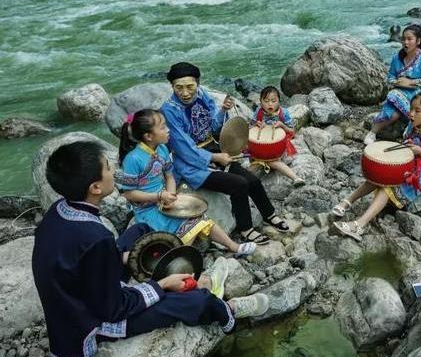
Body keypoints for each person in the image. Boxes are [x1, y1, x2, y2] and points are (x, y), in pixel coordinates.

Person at [32, 141, 269, 357]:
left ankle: (158, 275)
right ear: (95, 187)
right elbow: (115, 309)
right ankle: (228, 310)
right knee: (197, 301)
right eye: (107, 168)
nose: (113, 171)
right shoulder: (96, 238)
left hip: (78, 295)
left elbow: (81, 263)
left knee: (141, 230)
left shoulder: (58, 211)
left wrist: (120, 258)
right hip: (90, 322)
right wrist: (162, 286)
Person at [160, 62, 288, 245]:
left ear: (197, 83)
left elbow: (213, 127)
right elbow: (182, 148)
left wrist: (223, 110)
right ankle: (246, 229)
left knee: (252, 180)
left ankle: (269, 214)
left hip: (213, 148)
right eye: (179, 88)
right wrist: (214, 158)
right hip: (190, 163)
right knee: (238, 184)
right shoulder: (169, 110)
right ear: (172, 87)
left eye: (190, 86)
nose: (186, 93)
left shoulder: (202, 95)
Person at [117, 108, 256, 257]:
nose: (168, 130)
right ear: (149, 136)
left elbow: (169, 176)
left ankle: (234, 247)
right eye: (163, 127)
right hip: (147, 210)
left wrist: (170, 195)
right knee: (181, 231)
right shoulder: (133, 159)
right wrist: (159, 196)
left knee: (201, 218)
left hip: (164, 201)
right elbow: (129, 194)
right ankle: (178, 260)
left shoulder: (162, 149)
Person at [332, 90, 421, 241]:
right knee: (379, 176)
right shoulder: (412, 125)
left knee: (387, 187)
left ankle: (359, 225)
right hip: (408, 163)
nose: (411, 114)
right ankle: (347, 202)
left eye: (417, 111)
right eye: (411, 109)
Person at [364, 24, 421, 145]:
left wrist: (411, 82)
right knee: (393, 112)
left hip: (419, 93)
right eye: (403, 39)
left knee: (393, 96)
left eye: (409, 39)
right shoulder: (397, 57)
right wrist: (399, 82)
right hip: (401, 91)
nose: (405, 42)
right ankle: (372, 133)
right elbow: (390, 78)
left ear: (418, 41)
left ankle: (411, 127)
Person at [249, 86, 305, 187]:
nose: (270, 104)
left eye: (273, 101)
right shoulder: (259, 111)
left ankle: (295, 177)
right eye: (266, 101)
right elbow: (250, 127)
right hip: (261, 146)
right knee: (260, 159)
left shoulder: (284, 113)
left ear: (279, 101)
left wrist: (282, 125)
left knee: (269, 161)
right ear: (260, 101)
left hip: (278, 147)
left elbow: (292, 131)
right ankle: (296, 178)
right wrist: (257, 124)